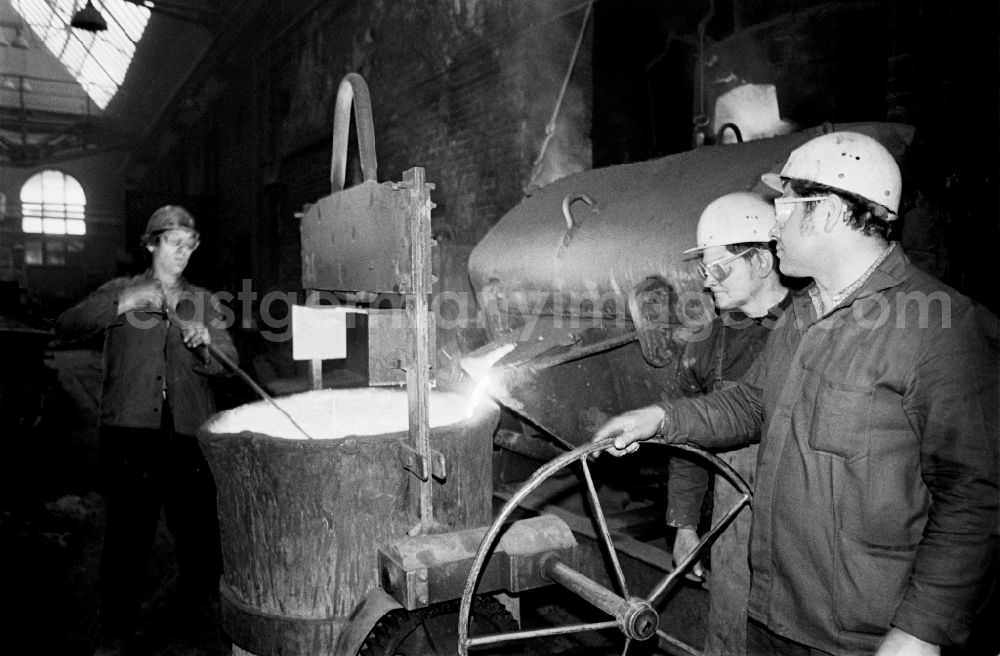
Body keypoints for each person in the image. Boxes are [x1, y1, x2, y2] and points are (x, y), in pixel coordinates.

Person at [594, 132, 998, 655]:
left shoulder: (936, 326)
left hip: (861, 637)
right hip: (775, 619)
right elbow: (755, 405)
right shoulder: (802, 316)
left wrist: (921, 631)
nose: (774, 221)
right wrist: (658, 419)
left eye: (784, 205)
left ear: (827, 213)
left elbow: (975, 495)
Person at [56, 205, 237, 656]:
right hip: (130, 432)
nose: (183, 253)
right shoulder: (119, 290)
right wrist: (124, 304)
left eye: (190, 245)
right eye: (174, 243)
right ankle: (116, 632)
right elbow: (67, 323)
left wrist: (205, 344)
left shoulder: (203, 301)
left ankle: (211, 611)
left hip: (187, 433)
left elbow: (230, 365)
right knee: (127, 535)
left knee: (197, 529)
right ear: (152, 243)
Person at [666, 191, 790, 655]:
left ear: (760, 261)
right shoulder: (706, 342)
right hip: (734, 525)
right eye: (703, 269)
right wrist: (684, 526)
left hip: (799, 530)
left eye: (717, 268)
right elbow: (690, 442)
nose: (707, 282)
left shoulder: (812, 330)